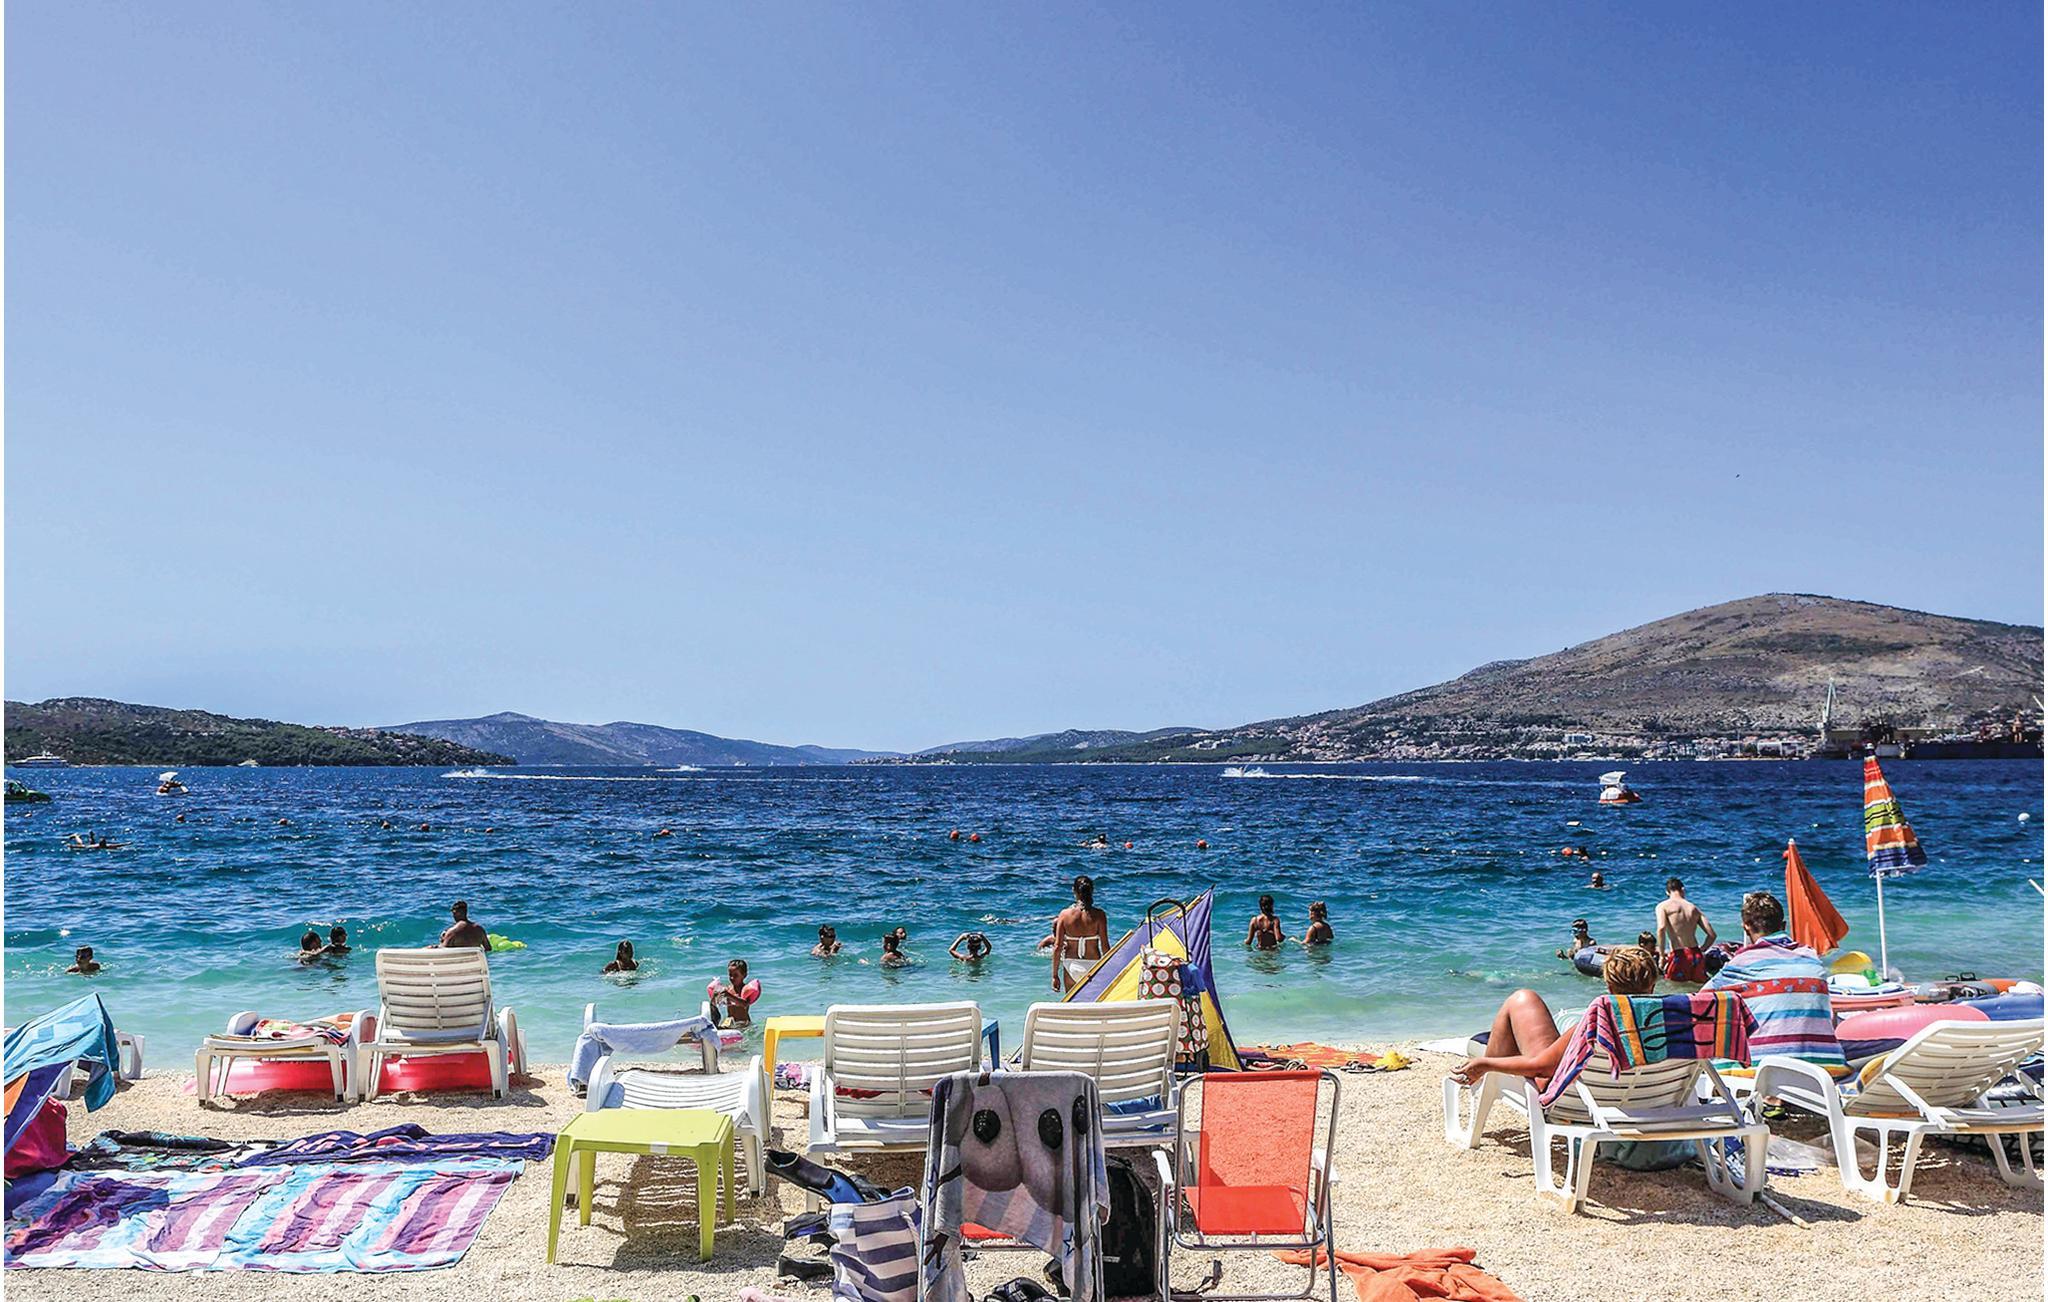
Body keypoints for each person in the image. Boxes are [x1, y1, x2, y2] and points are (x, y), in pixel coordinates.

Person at [1451, 944, 1660, 1091]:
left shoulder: (1598, 1024)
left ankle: (1484, 1065)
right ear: (1652, 986)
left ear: (1610, 986)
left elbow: (1541, 1068)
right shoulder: (1670, 1024)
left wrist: (1484, 1064)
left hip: (1576, 1099)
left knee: (1524, 998)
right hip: (1645, 1100)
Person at [1704, 890, 1845, 1073]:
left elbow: (1699, 1002)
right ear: (1783, 925)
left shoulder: (1739, 964)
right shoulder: (1811, 958)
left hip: (1760, 1071)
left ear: (1746, 927)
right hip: (1825, 1069)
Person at [1049, 875, 1108, 992]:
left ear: (1074, 890)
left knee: (1072, 1002)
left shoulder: (1064, 915)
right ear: (1092, 891)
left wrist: (1055, 976)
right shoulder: (1099, 915)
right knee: (1093, 1001)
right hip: (1093, 965)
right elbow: (1105, 947)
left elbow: (1057, 947)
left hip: (1072, 965)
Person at [1654, 877, 1718, 983]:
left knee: (1674, 988)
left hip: (1680, 955)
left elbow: (1661, 929)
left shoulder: (1663, 906)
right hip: (1696, 955)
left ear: (1667, 892)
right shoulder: (1693, 908)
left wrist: (1661, 956)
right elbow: (1712, 935)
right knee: (1697, 987)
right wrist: (1702, 950)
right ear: (1682, 889)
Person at [709, 958, 761, 1024]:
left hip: (743, 1023)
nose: (732, 978)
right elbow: (716, 1004)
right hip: (731, 1022)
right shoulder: (727, 989)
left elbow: (745, 1004)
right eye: (730, 975)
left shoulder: (745, 990)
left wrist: (729, 995)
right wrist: (715, 996)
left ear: (744, 975)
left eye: (736, 975)